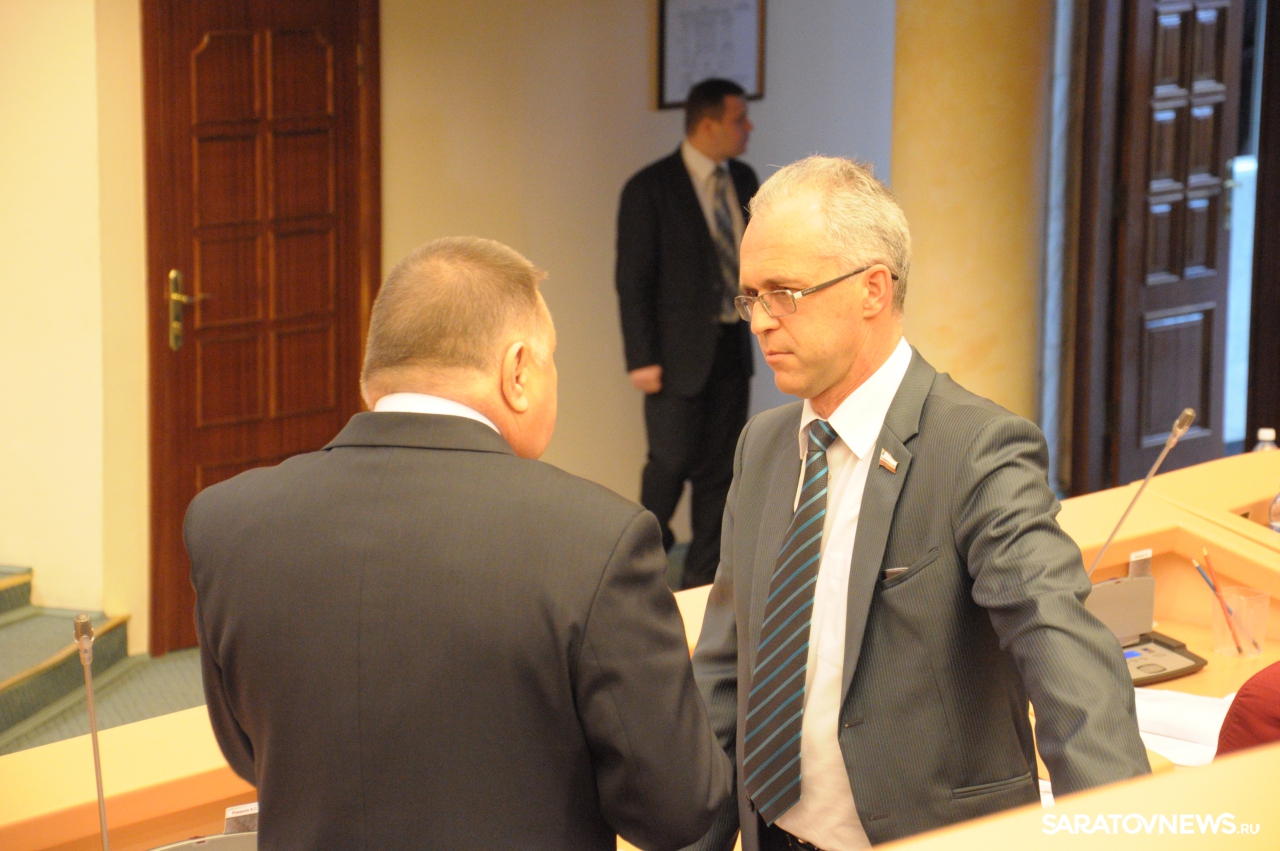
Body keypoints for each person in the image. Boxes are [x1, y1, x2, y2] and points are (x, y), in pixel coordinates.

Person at [186, 237, 733, 851]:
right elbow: (677, 808)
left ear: (372, 376)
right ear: (518, 371)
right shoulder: (598, 540)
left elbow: (250, 750)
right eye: (552, 360)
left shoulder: (226, 523)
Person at [685, 157, 1150, 850]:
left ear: (873, 289)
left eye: (785, 292)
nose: (760, 321)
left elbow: (1066, 662)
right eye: (752, 296)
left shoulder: (978, 448)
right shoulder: (764, 446)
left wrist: (1122, 832)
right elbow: (727, 668)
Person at [615, 78, 759, 589]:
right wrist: (641, 357)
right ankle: (638, 573)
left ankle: (701, 582)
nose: (748, 128)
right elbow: (632, 280)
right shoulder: (650, 188)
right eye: (739, 119)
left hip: (731, 348)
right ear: (708, 124)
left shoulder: (744, 179)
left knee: (720, 472)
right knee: (669, 465)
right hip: (674, 357)